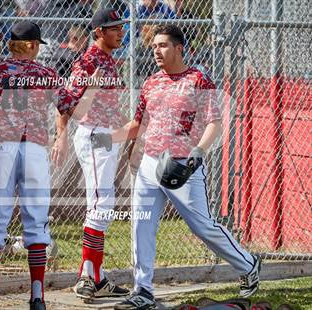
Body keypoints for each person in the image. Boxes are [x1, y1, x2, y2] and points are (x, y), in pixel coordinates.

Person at [91, 25, 261, 310]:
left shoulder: (198, 80)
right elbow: (138, 125)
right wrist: (111, 137)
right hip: (149, 164)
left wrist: (197, 154)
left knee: (202, 226)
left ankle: (248, 264)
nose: (156, 51)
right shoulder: (151, 82)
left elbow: (214, 123)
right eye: (154, 46)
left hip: (183, 165)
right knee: (141, 225)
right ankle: (142, 290)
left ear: (179, 48)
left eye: (163, 45)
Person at [0, 21, 76, 310]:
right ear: (31, 45)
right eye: (37, 45)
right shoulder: (46, 74)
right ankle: (37, 296)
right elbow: (68, 106)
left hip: (1, 146)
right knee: (36, 222)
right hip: (34, 149)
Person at [60, 8, 130, 302]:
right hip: (93, 134)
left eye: (120, 27)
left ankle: (96, 277)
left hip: (106, 134)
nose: (120, 32)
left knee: (100, 204)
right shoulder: (88, 60)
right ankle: (87, 276)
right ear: (98, 32)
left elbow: (110, 105)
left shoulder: (109, 61)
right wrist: (60, 136)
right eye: (113, 28)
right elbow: (69, 106)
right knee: (102, 206)